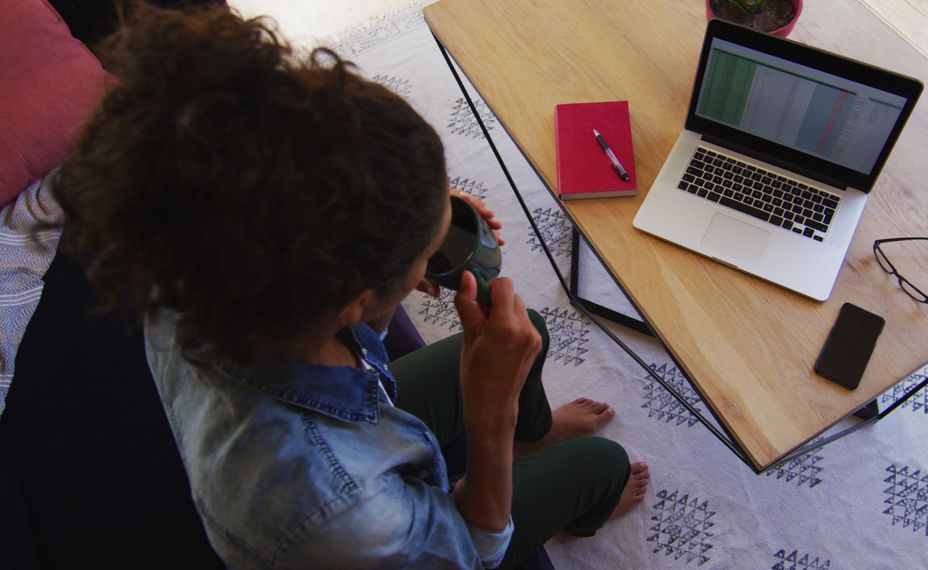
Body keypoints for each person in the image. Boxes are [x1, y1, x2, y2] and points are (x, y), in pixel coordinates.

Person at [51, 4, 649, 569]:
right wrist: (491, 417)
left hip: (303, 401)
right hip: (357, 500)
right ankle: (579, 515)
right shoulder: (341, 509)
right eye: (423, 256)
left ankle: (534, 435)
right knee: (603, 463)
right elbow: (471, 551)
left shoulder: (192, 254)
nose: (431, 259)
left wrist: (411, 209)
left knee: (532, 334)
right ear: (352, 301)